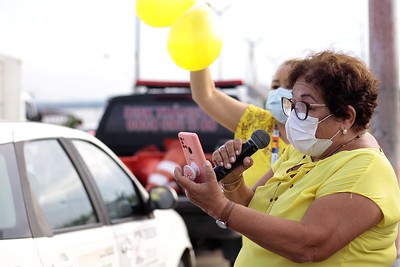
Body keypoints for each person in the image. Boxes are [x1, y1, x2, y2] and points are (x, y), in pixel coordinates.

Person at [175, 50, 400, 266]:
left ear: (347, 117)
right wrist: (233, 180)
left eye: (305, 106)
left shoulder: (365, 169)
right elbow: (252, 208)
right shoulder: (302, 151)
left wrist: (220, 207)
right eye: (292, 103)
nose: (293, 116)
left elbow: (309, 245)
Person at [190, 59, 300, 187]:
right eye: (275, 86)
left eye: (289, 86)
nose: (279, 92)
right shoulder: (255, 120)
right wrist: (198, 51)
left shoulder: (319, 140)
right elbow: (205, 95)